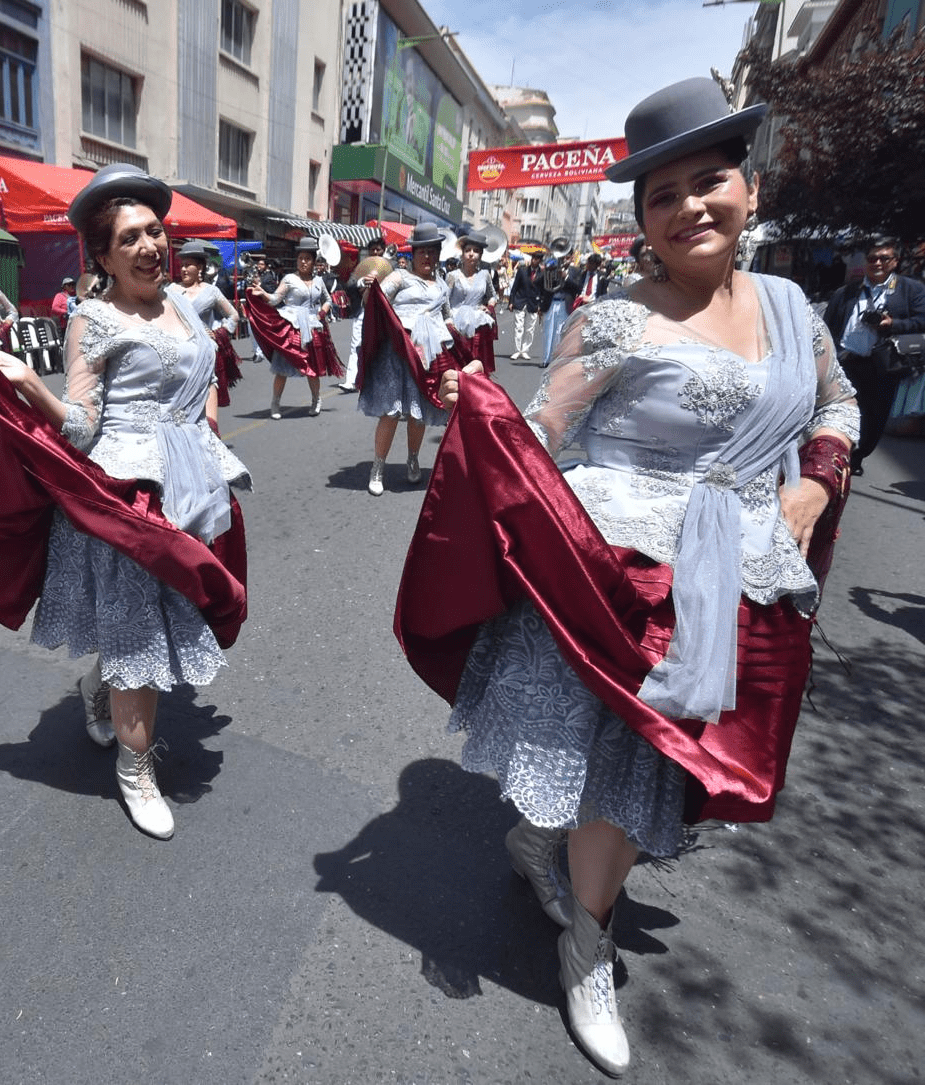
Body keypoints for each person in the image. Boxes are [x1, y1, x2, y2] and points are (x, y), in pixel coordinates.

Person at [413, 77, 859, 1076]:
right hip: (615, 578)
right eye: (664, 195)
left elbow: (838, 403)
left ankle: (550, 859)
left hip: (737, 574)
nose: (690, 206)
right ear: (642, 218)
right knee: (616, 765)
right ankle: (587, 943)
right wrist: (474, 412)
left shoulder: (793, 308)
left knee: (655, 767)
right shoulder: (614, 319)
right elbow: (537, 436)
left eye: (710, 182)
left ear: (749, 187)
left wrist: (816, 486)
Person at [0, 164, 250, 839]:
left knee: (165, 620)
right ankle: (137, 770)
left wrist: (207, 437)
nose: (149, 246)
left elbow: (208, 372)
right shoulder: (93, 319)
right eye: (130, 237)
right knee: (138, 633)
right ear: (102, 256)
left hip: (191, 486)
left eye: (155, 231)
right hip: (127, 501)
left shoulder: (186, 304)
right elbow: (78, 426)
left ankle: (100, 690)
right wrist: (29, 386)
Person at [358, 222, 454, 493]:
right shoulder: (399, 277)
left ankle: (413, 459)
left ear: (437, 254)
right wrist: (369, 287)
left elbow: (447, 316)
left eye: (432, 251)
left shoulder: (442, 285)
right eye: (422, 251)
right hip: (398, 353)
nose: (427, 257)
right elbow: (373, 302)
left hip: (429, 356)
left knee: (419, 413)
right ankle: (378, 467)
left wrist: (457, 329)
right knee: (391, 411)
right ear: (413, 254)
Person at [823, 237, 925, 475]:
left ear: (895, 261)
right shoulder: (848, 291)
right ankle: (838, 455)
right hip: (847, 361)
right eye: (872, 258)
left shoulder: (911, 290)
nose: (877, 262)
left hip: (883, 364)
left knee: (875, 417)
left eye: (884, 258)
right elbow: (827, 324)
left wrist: (893, 324)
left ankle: (858, 455)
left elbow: (922, 320)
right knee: (840, 411)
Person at [251, 237, 338, 419]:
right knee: (282, 368)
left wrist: (322, 313)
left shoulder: (319, 281)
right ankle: (275, 403)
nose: (303, 262)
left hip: (313, 326)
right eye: (300, 258)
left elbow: (328, 300)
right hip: (291, 327)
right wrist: (263, 293)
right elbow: (275, 299)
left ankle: (316, 400)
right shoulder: (289, 278)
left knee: (312, 368)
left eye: (307, 258)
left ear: (314, 261)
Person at [167, 239, 241, 405]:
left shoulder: (211, 291)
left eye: (188, 265)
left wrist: (219, 333)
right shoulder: (171, 290)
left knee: (207, 398)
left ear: (199, 267)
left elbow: (234, 315)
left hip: (204, 352)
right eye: (182, 265)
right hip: (179, 353)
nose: (184, 269)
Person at [340, 234, 388, 392]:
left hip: (384, 312)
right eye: (372, 250)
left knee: (382, 345)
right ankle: (350, 380)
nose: (375, 252)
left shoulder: (391, 266)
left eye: (378, 249)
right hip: (363, 310)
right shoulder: (362, 266)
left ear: (383, 250)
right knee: (356, 345)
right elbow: (350, 284)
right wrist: (361, 282)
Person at [446, 231, 498, 374]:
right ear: (462, 254)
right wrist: (449, 320)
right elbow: (444, 300)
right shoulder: (452, 276)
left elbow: (493, 296)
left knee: (477, 363)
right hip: (456, 325)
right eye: (467, 250)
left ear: (480, 255)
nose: (471, 254)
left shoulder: (485, 275)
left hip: (478, 324)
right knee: (457, 365)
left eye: (475, 251)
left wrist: (490, 306)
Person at [508, 250, 546, 360]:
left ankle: (525, 350)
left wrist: (541, 305)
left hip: (533, 304)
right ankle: (517, 350)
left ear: (539, 261)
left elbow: (543, 291)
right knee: (518, 327)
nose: (534, 260)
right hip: (520, 301)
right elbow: (514, 287)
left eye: (537, 259)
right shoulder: (522, 270)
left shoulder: (542, 274)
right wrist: (511, 301)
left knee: (530, 329)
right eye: (533, 258)